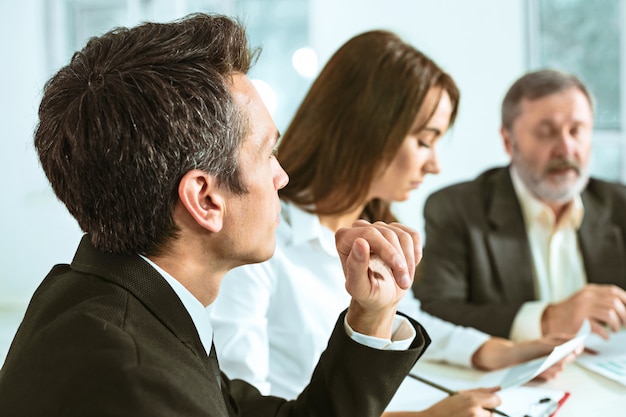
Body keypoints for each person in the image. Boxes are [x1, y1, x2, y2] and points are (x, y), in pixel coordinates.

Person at [0, 14, 432, 417]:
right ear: (204, 200)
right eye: (268, 154)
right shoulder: (142, 384)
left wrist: (371, 314)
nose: (282, 176)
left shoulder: (116, 297)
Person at [209, 32, 576, 417]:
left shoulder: (371, 226)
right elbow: (244, 407)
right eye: (424, 140)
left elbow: (406, 321)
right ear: (369, 128)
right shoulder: (260, 246)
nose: (435, 165)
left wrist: (503, 350)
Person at [414, 69, 626, 341]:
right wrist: (547, 319)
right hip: (511, 377)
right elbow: (434, 313)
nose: (566, 147)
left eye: (576, 130)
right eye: (546, 132)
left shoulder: (619, 204)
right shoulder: (456, 209)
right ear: (508, 142)